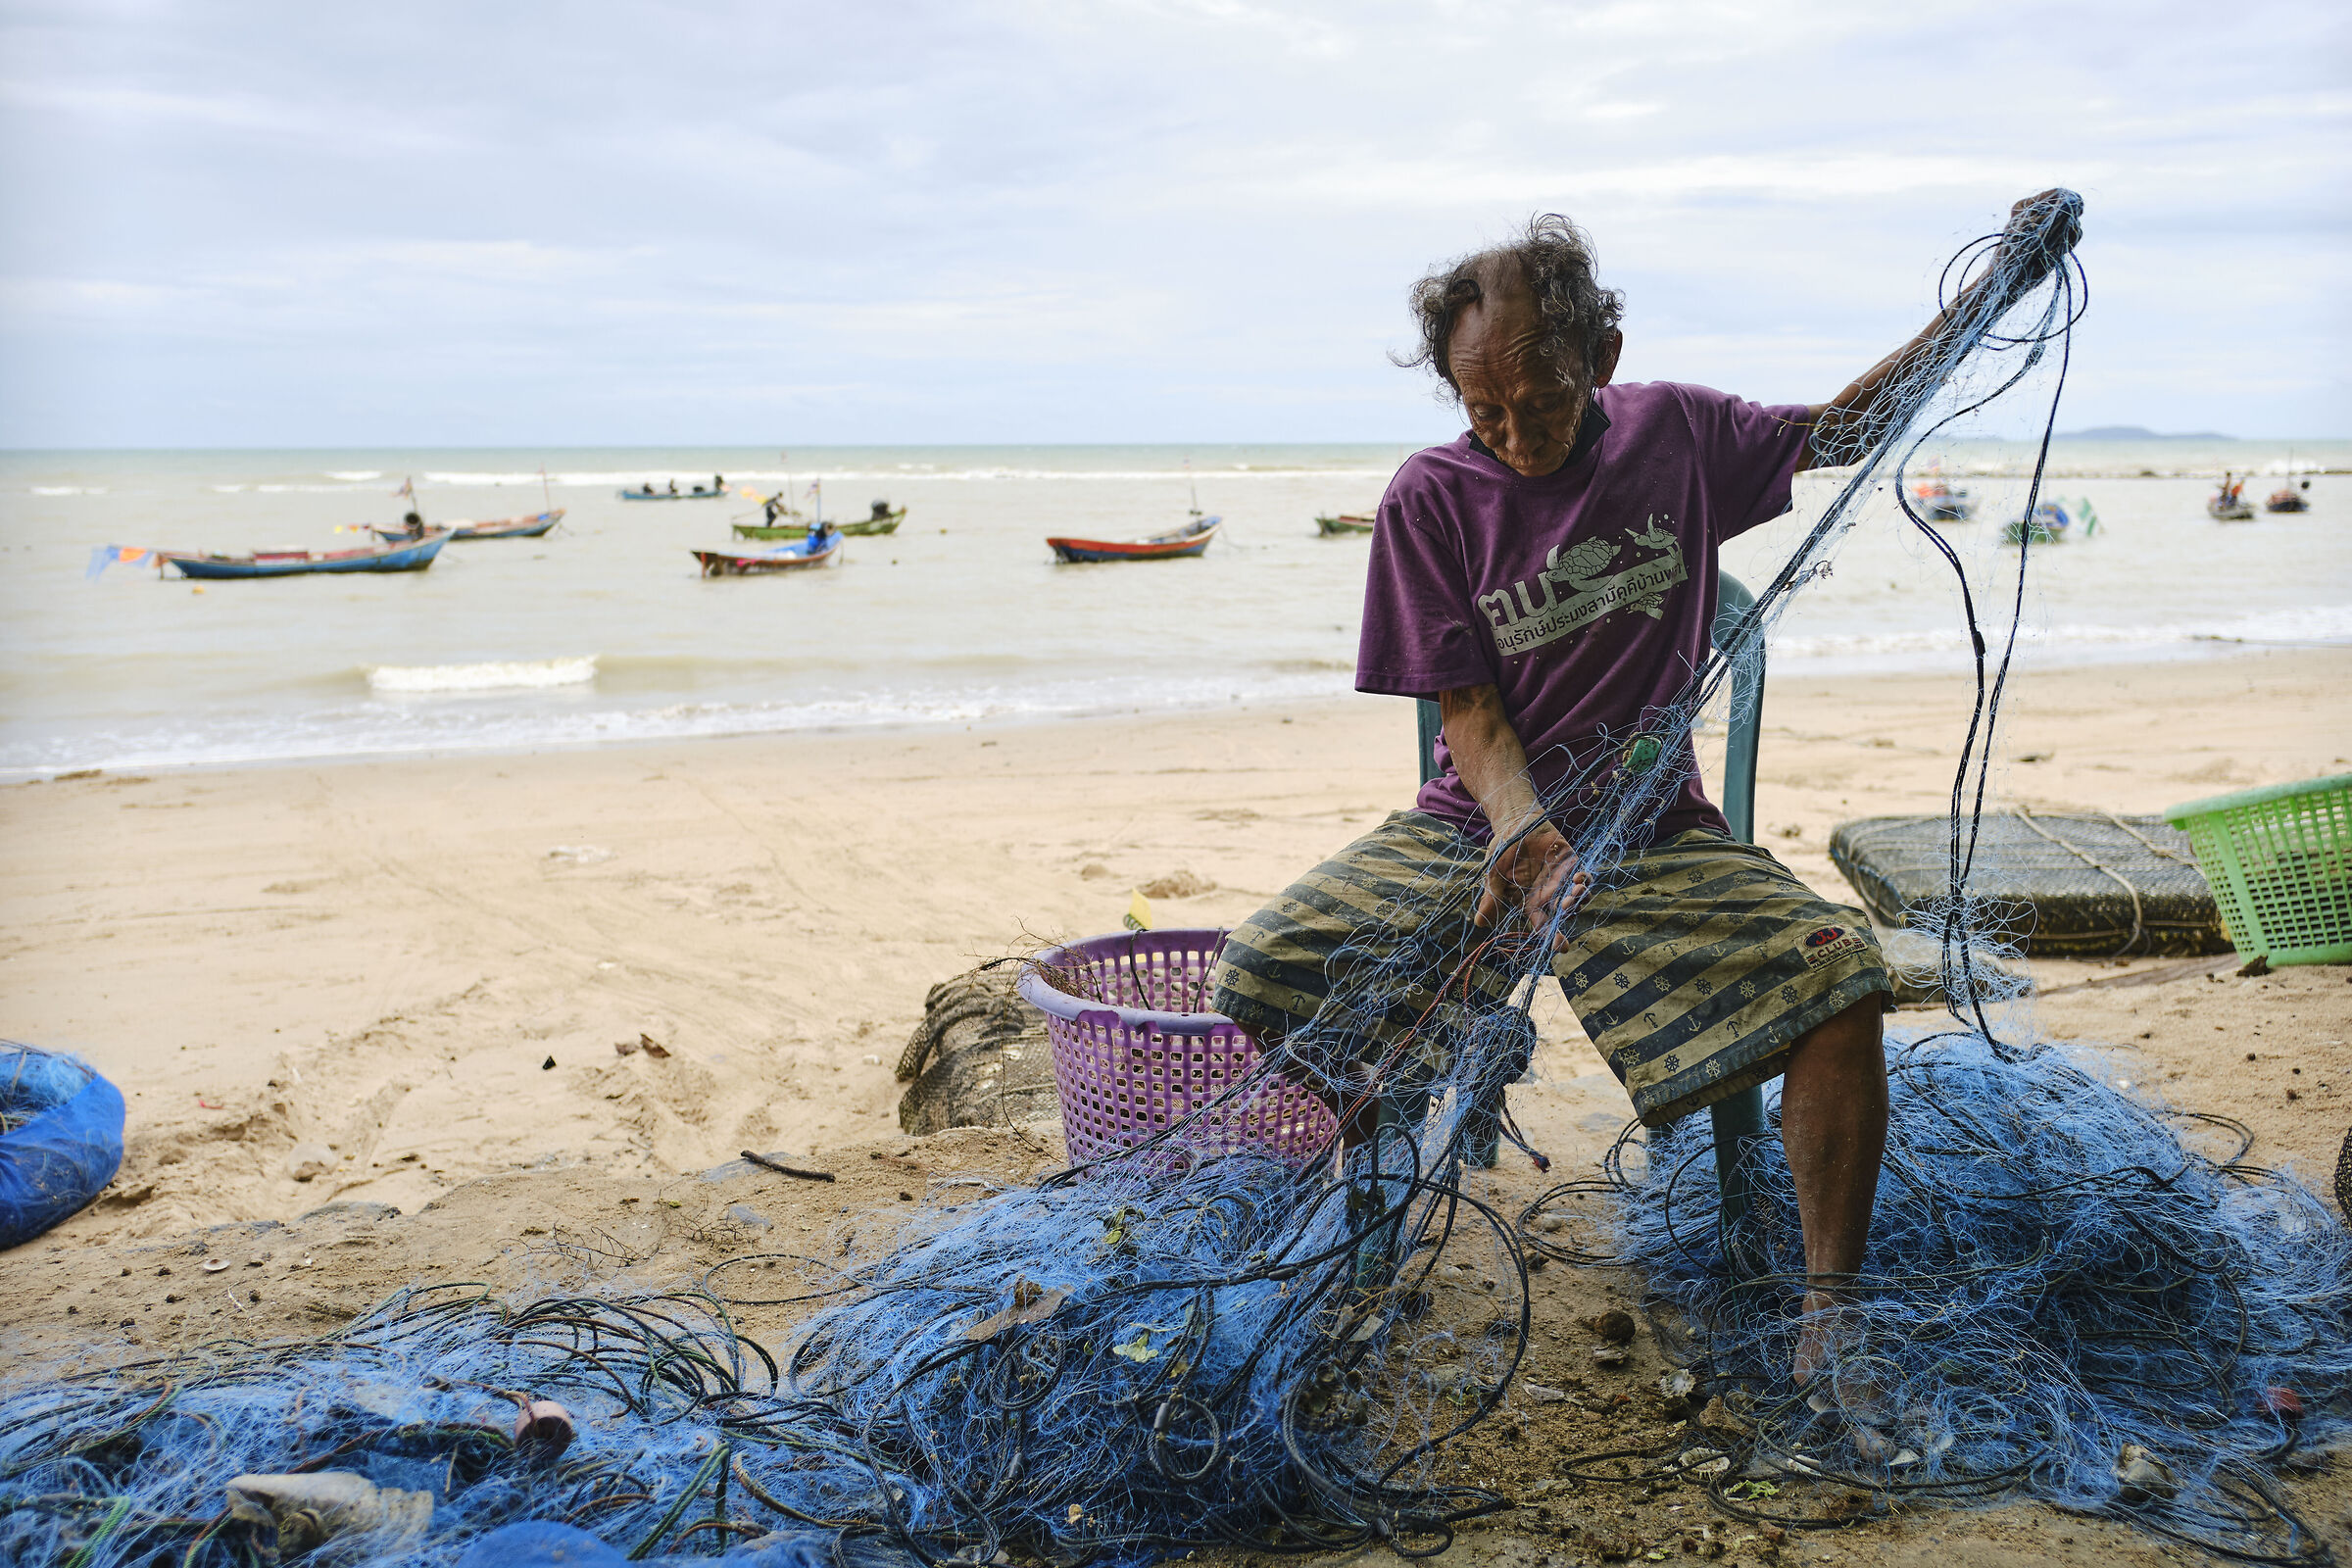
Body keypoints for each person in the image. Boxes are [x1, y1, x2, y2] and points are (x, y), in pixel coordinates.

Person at [1210, 192, 2080, 1385]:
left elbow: (1849, 425)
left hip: (1655, 836)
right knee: (1258, 970)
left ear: (1601, 358)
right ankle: (1382, 1115)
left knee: (1843, 979)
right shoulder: (1429, 499)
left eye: (1541, 399)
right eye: (1483, 409)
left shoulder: (1678, 435)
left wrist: (1994, 292)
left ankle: (1829, 1316)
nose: (1514, 433)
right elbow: (1468, 711)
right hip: (1477, 831)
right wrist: (1524, 832)